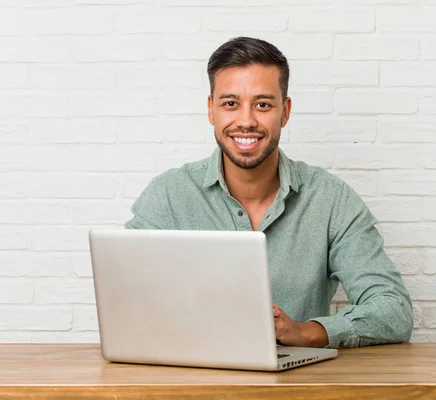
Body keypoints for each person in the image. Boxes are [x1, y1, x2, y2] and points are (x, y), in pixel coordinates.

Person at [124, 37, 413, 348]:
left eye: (262, 104)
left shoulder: (331, 200)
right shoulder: (168, 196)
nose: (246, 121)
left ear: (285, 112)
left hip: (297, 389)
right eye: (230, 104)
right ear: (211, 111)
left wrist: (305, 332)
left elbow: (393, 309)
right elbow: (125, 297)